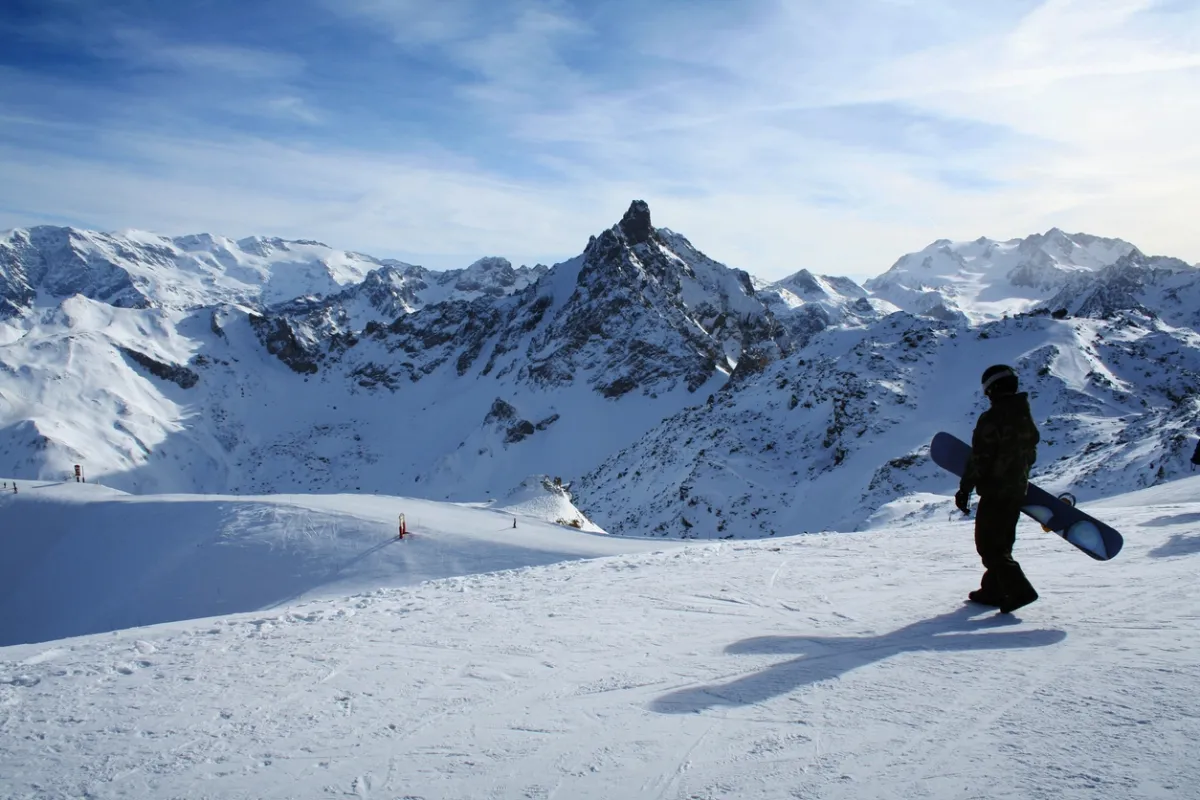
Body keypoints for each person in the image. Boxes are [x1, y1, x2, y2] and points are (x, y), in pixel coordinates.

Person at [955, 364, 1041, 613]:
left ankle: (1019, 590)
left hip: (995, 490)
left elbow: (981, 457)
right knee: (1002, 542)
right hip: (1017, 490)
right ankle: (994, 589)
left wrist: (965, 488)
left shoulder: (993, 418)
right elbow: (1030, 454)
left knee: (989, 545)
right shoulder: (1024, 416)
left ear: (991, 389)